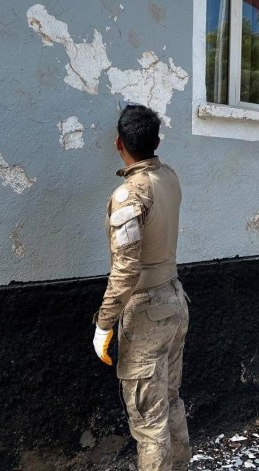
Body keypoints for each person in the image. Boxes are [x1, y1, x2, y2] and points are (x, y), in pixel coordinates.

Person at [92, 104, 191, 471]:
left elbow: (125, 270)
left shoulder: (129, 195)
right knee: (171, 400)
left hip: (147, 311)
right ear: (157, 141)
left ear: (119, 142)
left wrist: (104, 324)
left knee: (149, 422)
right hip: (175, 300)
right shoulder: (169, 177)